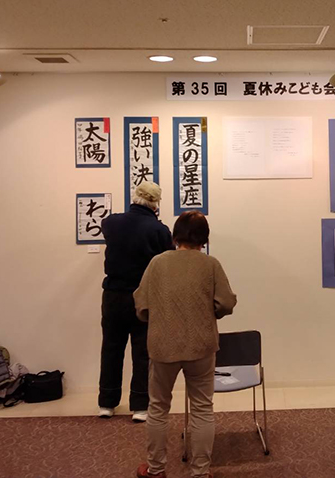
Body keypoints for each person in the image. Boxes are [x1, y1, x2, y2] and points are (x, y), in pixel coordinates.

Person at [134, 211, 237, 478]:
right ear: (204, 239)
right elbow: (226, 303)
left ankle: (156, 469)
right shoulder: (210, 264)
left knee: (158, 408)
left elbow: (141, 306)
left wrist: (159, 316)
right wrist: (210, 312)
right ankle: (200, 472)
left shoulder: (157, 263)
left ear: (175, 236)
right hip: (201, 345)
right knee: (202, 409)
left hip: (162, 346)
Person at [98, 181, 173, 421]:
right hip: (143, 296)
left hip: (112, 296)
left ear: (134, 198)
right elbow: (167, 258)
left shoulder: (112, 223)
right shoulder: (159, 230)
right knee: (142, 351)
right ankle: (140, 406)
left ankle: (106, 403)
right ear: (155, 204)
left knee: (111, 348)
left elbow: (106, 225)